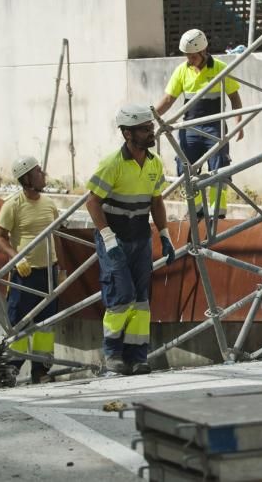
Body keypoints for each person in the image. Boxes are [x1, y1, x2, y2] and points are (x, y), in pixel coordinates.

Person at [86, 104, 176, 375]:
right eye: (144, 129)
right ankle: (113, 354)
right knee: (121, 293)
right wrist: (108, 239)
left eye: (150, 127)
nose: (151, 133)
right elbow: (92, 203)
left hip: (140, 236)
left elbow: (156, 202)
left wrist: (164, 234)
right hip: (115, 238)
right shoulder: (112, 163)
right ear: (127, 134)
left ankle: (138, 357)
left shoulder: (154, 162)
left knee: (140, 299)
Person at [155, 28, 244, 218]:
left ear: (203, 51)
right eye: (187, 55)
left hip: (215, 128)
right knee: (184, 167)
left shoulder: (220, 68)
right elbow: (169, 99)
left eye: (192, 56)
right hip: (190, 129)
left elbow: (234, 98)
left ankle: (217, 213)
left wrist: (239, 123)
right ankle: (195, 210)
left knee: (219, 169)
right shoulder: (181, 71)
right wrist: (151, 115)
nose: (189, 59)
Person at [0, 156, 60, 384]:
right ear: (27, 178)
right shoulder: (12, 205)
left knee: (45, 324)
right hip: (24, 275)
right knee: (19, 323)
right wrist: (16, 258)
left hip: (48, 273)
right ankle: (11, 368)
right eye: (38, 171)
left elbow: (57, 236)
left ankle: (40, 371)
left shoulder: (50, 204)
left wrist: (61, 267)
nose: (43, 174)